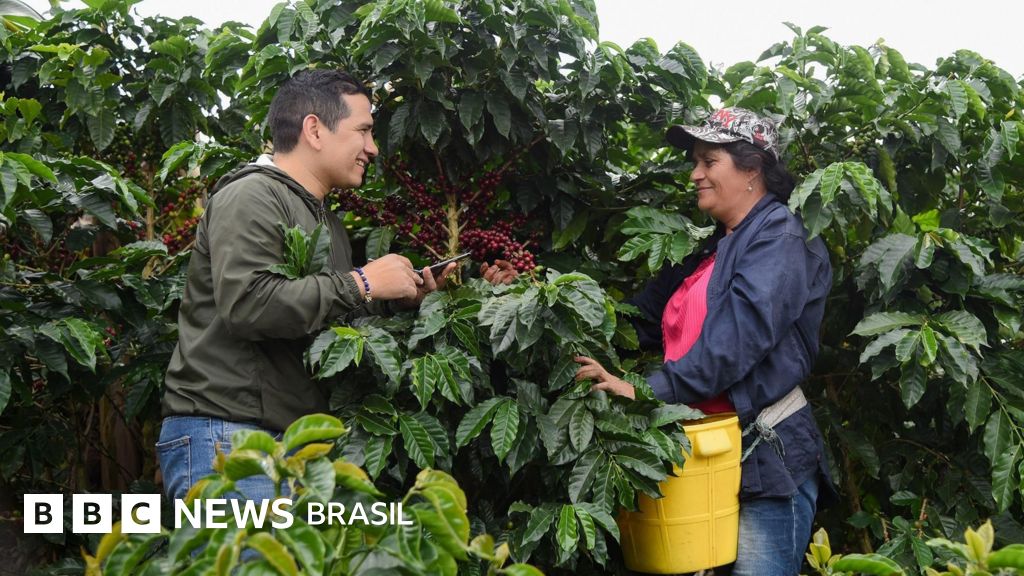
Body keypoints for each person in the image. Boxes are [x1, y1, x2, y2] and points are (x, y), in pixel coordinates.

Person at [156, 70, 512, 502]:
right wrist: (363, 281)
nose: (372, 148)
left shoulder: (327, 223)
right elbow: (249, 305)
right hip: (231, 438)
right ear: (314, 129)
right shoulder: (250, 195)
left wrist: (403, 297)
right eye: (363, 130)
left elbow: (327, 315)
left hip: (289, 445)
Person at [575, 107, 833, 576]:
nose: (695, 174)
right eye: (695, 162)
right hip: (699, 453)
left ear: (752, 167)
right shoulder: (711, 247)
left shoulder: (782, 239)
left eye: (708, 162)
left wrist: (647, 392)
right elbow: (634, 321)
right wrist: (539, 301)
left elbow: (736, 342)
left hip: (763, 456)